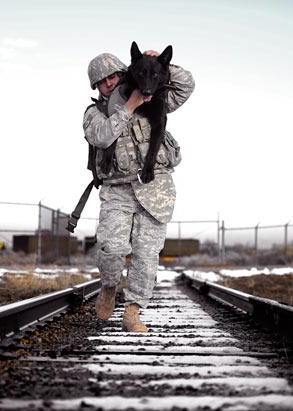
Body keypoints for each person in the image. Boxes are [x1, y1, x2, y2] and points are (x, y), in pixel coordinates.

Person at [84, 51, 194, 332]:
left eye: (113, 76)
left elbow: (187, 85)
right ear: (96, 86)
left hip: (155, 189)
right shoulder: (94, 113)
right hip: (117, 189)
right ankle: (109, 287)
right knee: (111, 248)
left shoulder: (154, 97)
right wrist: (128, 107)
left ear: (124, 74)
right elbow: (101, 137)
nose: (109, 83)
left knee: (146, 256)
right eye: (102, 81)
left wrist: (161, 64)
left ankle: (133, 311)